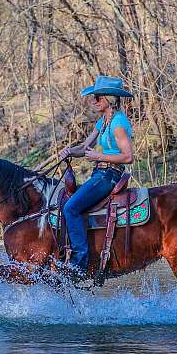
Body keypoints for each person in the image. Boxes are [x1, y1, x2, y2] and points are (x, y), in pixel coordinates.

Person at [58, 75, 134, 276]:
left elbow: (128, 156)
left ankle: (79, 263)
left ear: (109, 98)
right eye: (93, 97)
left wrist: (99, 156)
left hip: (109, 175)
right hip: (99, 172)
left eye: (98, 97)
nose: (94, 101)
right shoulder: (103, 122)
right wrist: (69, 151)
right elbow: (85, 146)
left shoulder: (118, 123)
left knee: (71, 207)